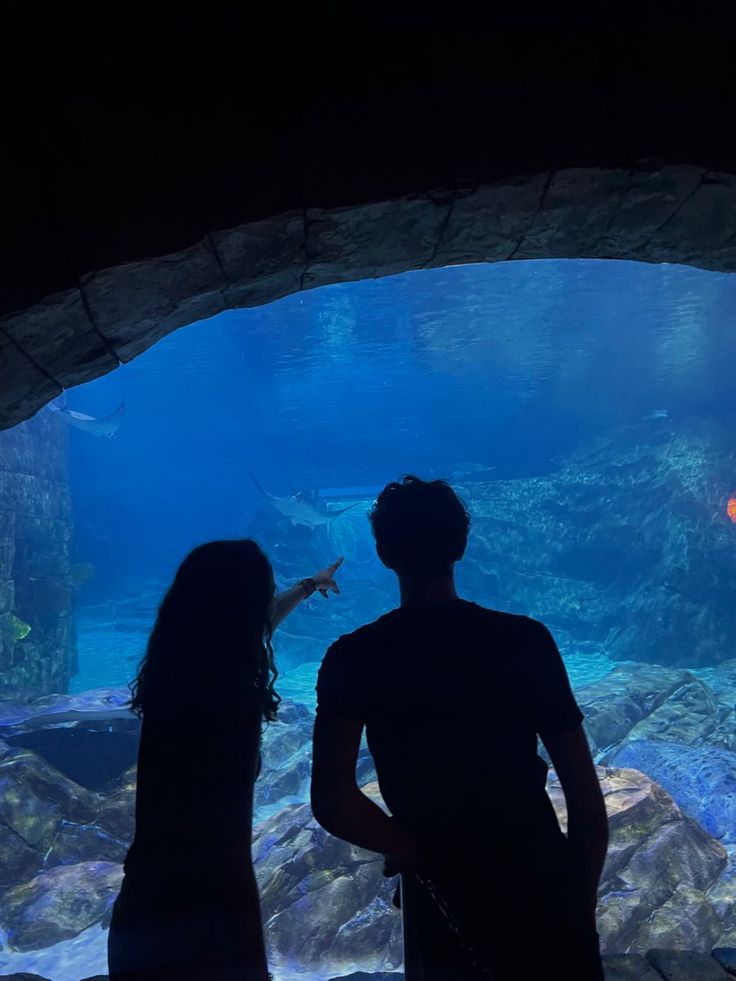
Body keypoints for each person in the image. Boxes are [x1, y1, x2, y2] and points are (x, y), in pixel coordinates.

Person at [311, 476, 608, 980]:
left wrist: (408, 848)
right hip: (537, 877)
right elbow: (584, 796)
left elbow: (334, 800)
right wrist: (576, 903)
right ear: (461, 545)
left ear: (383, 552)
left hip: (440, 891)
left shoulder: (353, 657)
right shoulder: (525, 641)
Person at [108, 540, 342, 981]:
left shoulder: (172, 674)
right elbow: (255, 628)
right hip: (214, 901)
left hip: (144, 899)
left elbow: (255, 625)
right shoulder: (228, 690)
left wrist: (309, 585)